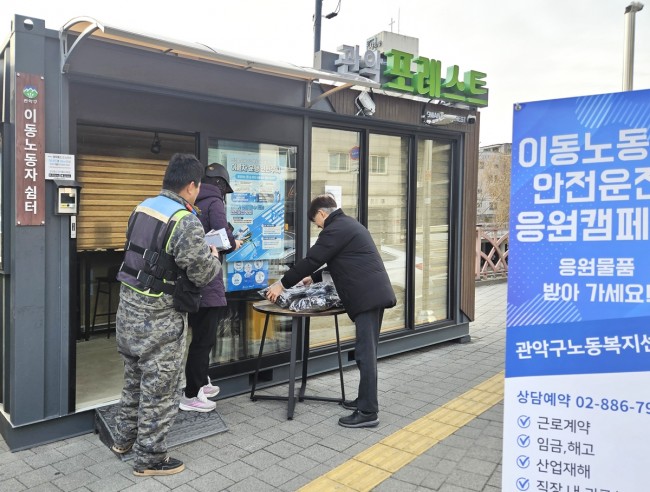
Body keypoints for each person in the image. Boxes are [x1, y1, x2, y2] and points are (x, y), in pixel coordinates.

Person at [111, 153, 222, 476]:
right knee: (160, 391)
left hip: (128, 310)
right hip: (159, 319)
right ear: (191, 186)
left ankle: (123, 439)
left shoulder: (142, 208)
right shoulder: (184, 220)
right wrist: (213, 256)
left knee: (133, 380)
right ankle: (149, 459)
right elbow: (202, 273)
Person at [266, 194, 396, 428]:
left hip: (367, 298)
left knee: (365, 355)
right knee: (367, 352)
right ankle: (364, 400)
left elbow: (312, 259)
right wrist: (313, 278)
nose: (318, 227)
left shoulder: (334, 228)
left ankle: (368, 412)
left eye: (316, 222)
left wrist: (281, 284)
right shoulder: (347, 224)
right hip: (373, 294)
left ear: (322, 214)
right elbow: (340, 259)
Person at [181, 162, 241, 412]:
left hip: (190, 281)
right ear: (221, 185)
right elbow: (222, 237)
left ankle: (201, 382)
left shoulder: (189, 201)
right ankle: (191, 394)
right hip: (208, 280)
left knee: (198, 337)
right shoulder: (215, 201)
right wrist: (234, 242)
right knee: (203, 341)